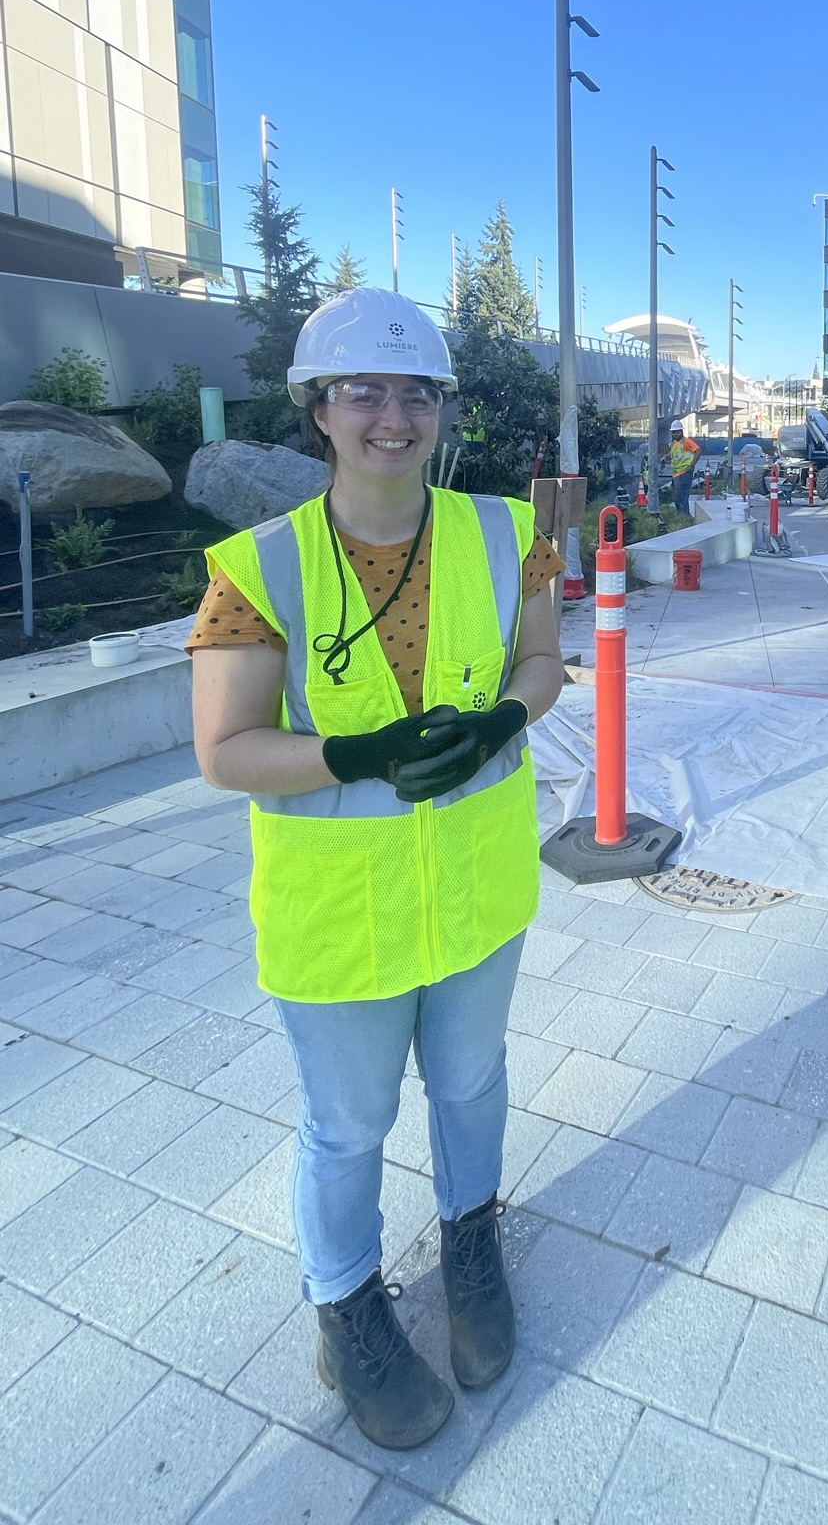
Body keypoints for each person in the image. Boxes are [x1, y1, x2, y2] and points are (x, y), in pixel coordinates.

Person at [187, 289, 565, 1451]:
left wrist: (501, 718)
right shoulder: (259, 569)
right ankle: (344, 1306)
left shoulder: (509, 533)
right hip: (338, 916)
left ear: (442, 408)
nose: (391, 416)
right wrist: (347, 750)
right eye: (363, 391)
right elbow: (225, 748)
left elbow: (544, 662)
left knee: (470, 1085)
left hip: (475, 895)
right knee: (347, 1126)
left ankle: (469, 1240)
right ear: (319, 410)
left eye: (415, 392)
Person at [668, 418, 701, 517]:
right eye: (673, 432)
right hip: (677, 474)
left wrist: (691, 466)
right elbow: (673, 455)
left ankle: (685, 517)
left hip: (684, 473)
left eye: (677, 432)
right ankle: (682, 517)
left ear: (681, 431)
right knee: (677, 498)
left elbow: (698, 451)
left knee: (682, 498)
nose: (675, 434)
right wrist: (665, 458)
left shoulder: (686, 441)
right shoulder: (675, 444)